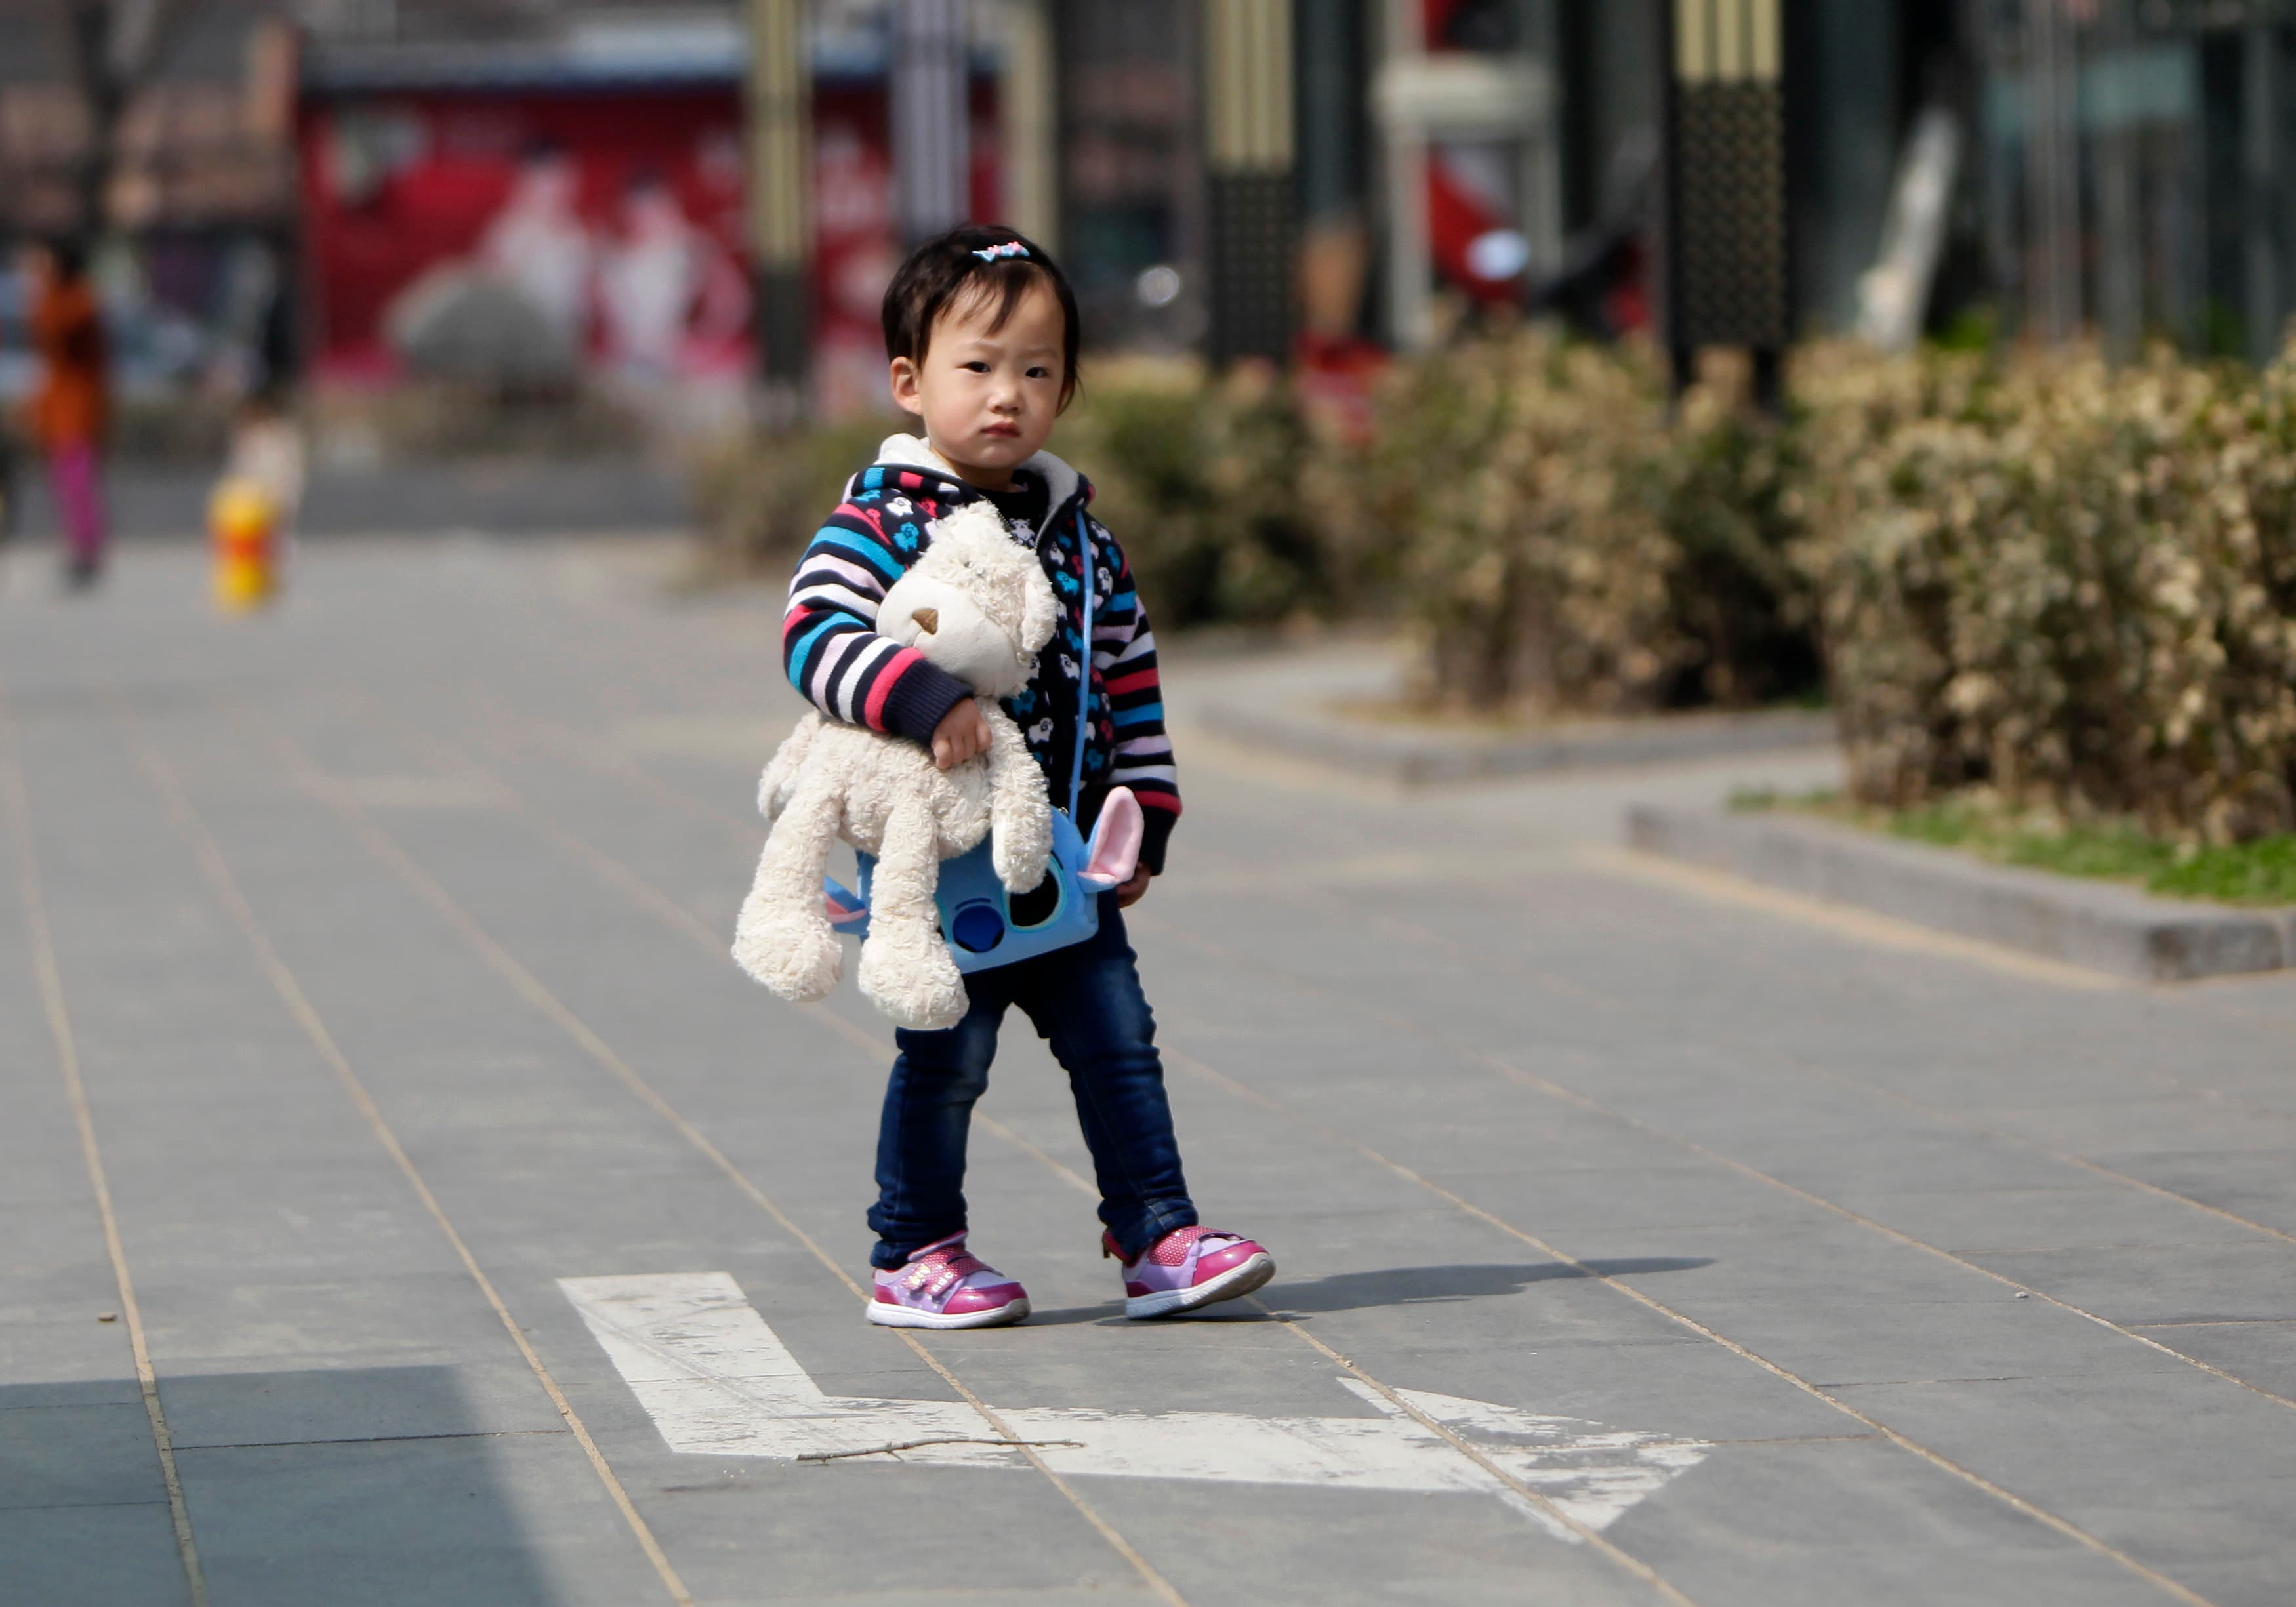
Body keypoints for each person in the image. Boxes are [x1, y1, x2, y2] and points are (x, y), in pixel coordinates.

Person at [781, 225, 1275, 1329]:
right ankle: (912, 1250)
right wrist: (923, 698)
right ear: (910, 381)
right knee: (944, 1058)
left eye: (1038, 369)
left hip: (1063, 860)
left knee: (1118, 1043)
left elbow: (1130, 675)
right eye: (979, 366)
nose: (1009, 394)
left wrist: (1143, 814)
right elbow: (811, 634)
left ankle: (1157, 1233)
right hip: (947, 862)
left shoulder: (1082, 537)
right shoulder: (882, 518)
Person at [26, 239, 109, 589]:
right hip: (62, 408)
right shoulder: (70, 298)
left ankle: (86, 548)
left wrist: (39, 288)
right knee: (68, 483)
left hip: (75, 410)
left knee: (77, 482)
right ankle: (79, 545)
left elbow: (50, 329)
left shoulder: (76, 300)